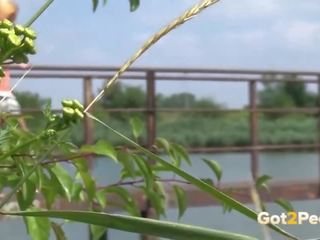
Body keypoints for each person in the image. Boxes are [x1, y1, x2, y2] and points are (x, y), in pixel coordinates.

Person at [0, 0, 27, 130]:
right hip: (4, 95)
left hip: (6, 94)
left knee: (18, 124)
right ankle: (30, 148)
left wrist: (17, 58)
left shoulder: (6, 41)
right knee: (19, 126)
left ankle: (29, 147)